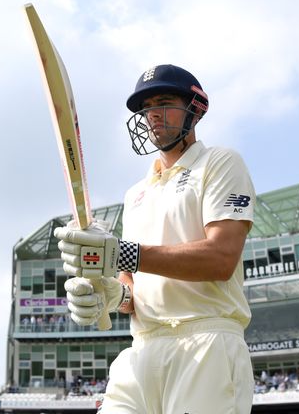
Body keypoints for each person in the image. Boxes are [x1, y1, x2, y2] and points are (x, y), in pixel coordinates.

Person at [54, 64, 256, 413]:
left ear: (195, 107)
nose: (152, 116)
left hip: (206, 341)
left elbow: (221, 258)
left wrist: (121, 254)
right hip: (142, 348)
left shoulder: (219, 163)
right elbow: (132, 289)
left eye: (163, 102)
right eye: (146, 108)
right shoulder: (136, 194)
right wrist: (110, 294)